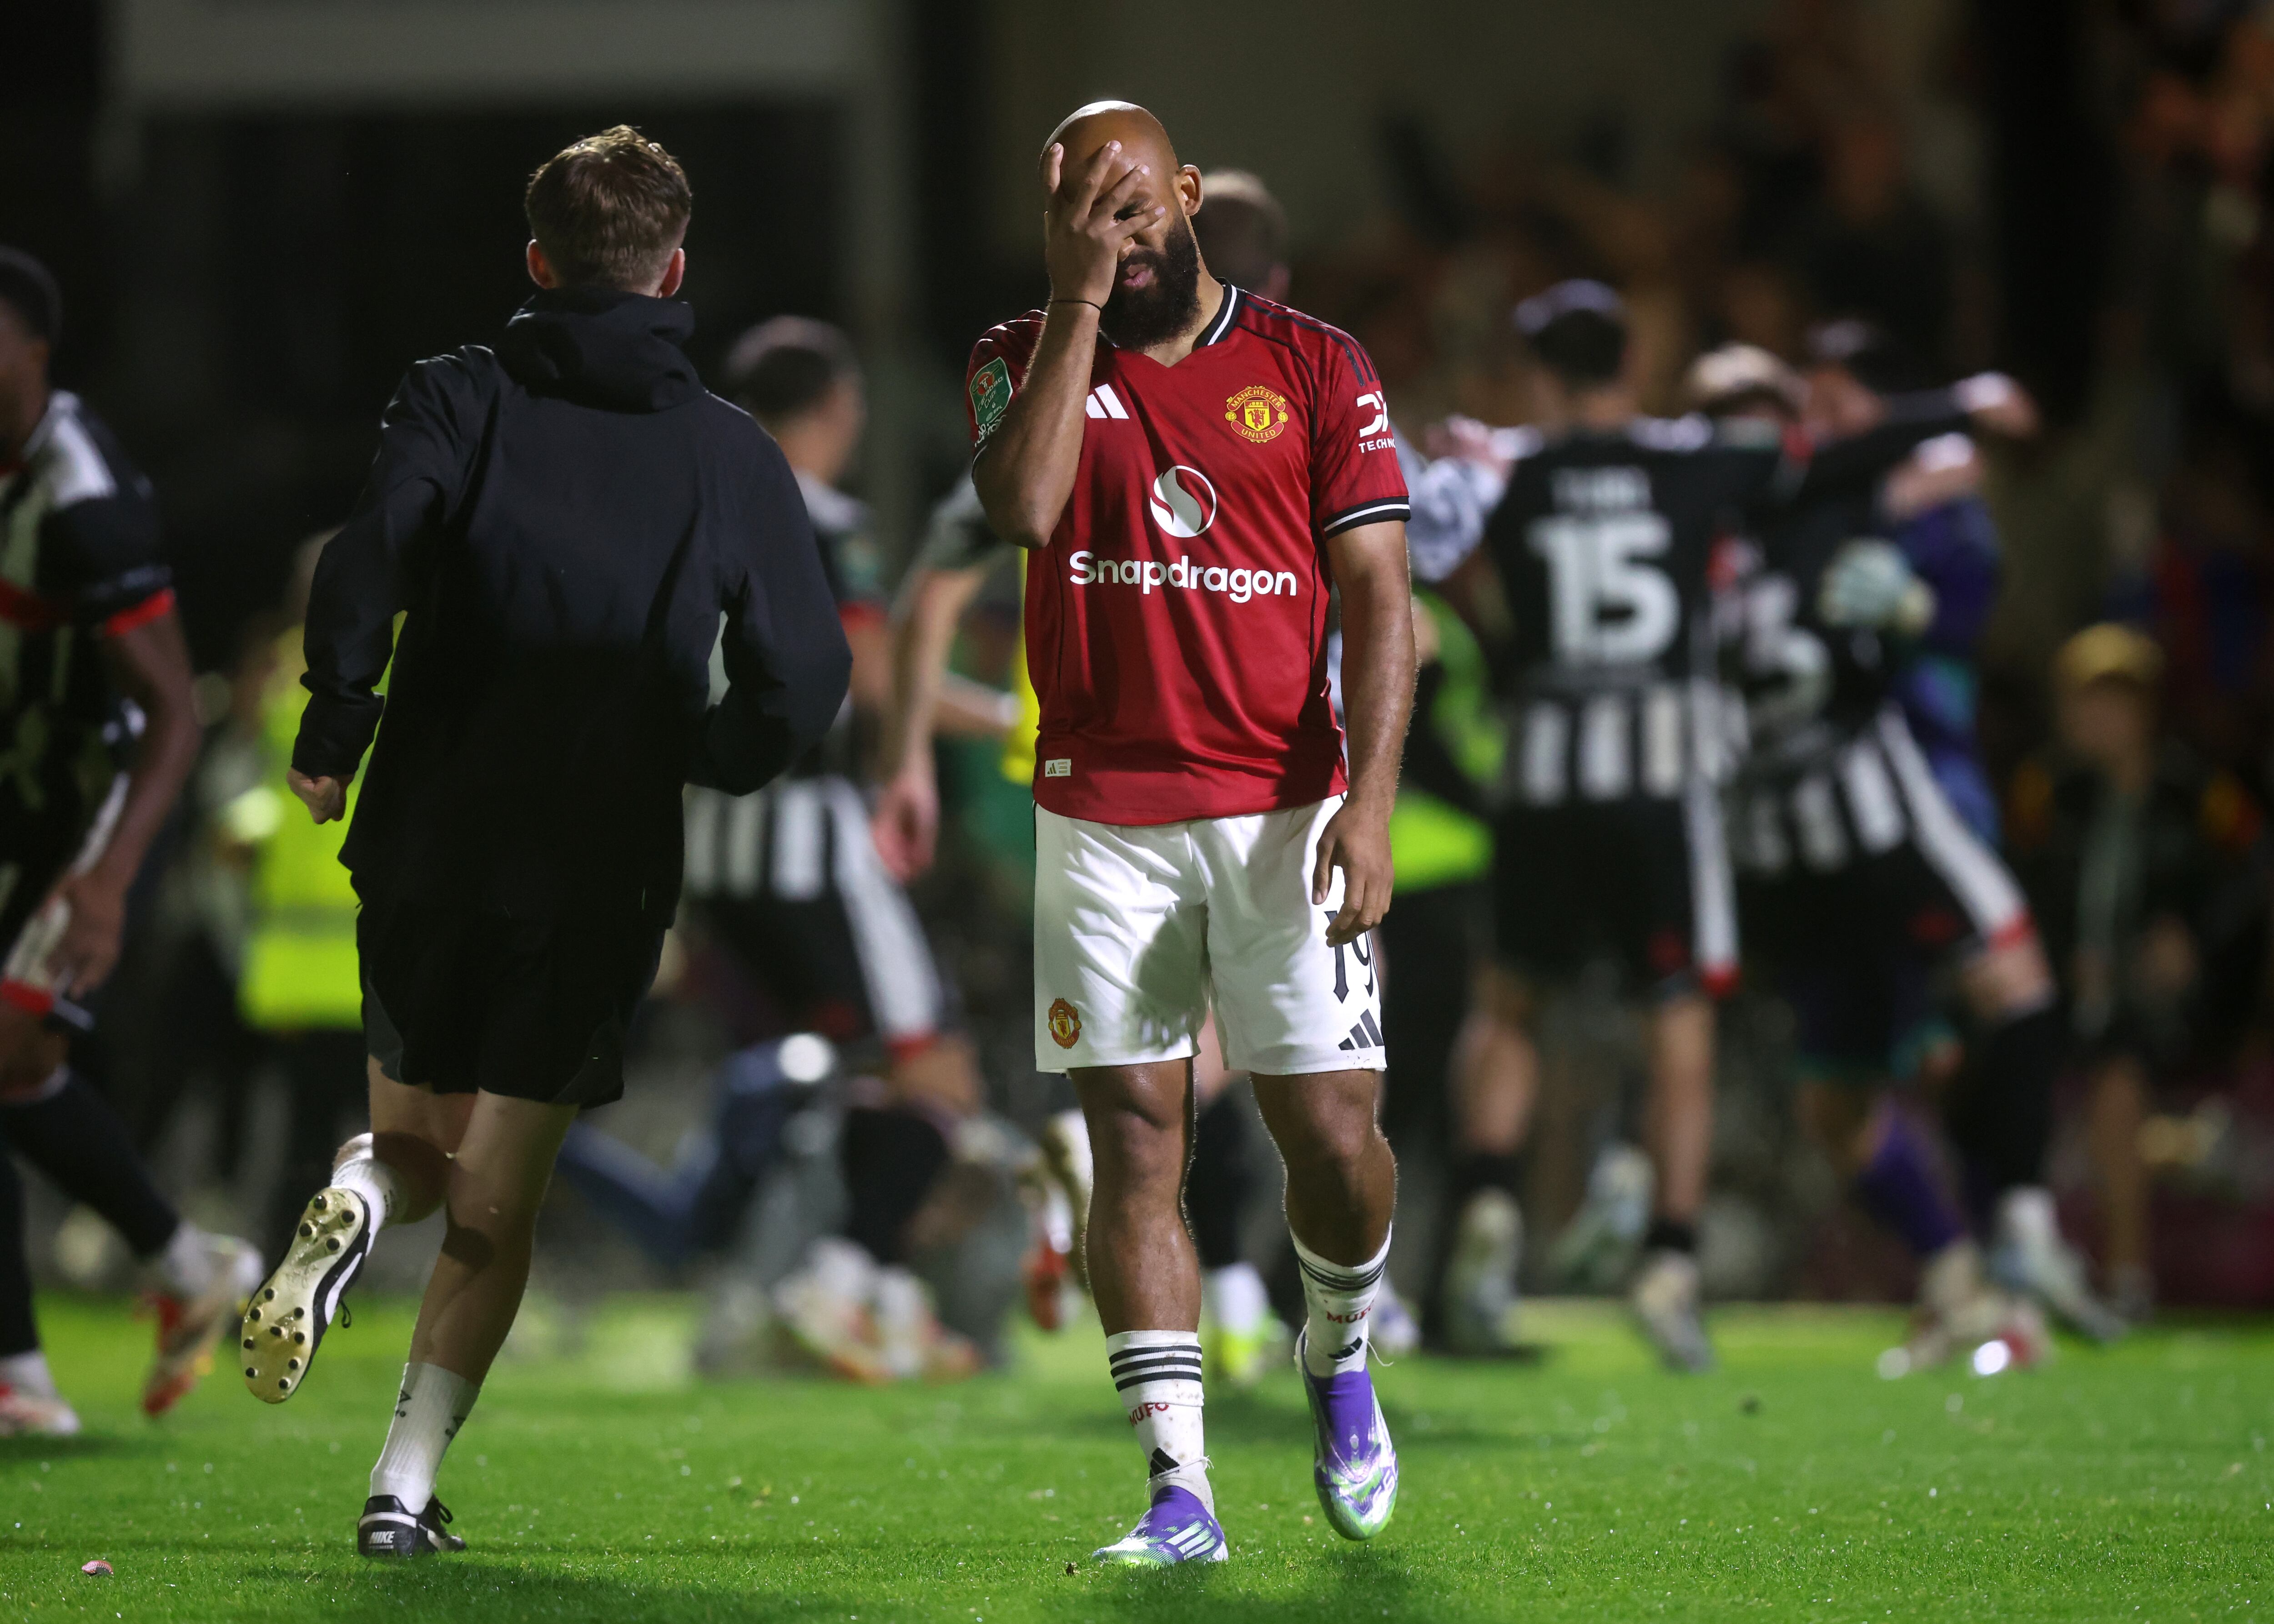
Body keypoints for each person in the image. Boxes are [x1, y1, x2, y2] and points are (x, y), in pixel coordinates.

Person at [243, 128, 849, 1558]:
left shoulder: (456, 394)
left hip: (427, 834)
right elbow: (807, 673)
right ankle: (399, 1485)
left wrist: (334, 727)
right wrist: (713, 758)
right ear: (674, 268)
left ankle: (346, 1197)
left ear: (537, 263)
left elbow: (371, 546)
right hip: (596, 859)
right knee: (495, 1200)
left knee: (409, 1142)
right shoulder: (728, 450)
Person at [969, 101, 1414, 1564]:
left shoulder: (1315, 362)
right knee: (1135, 1145)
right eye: (1083, 204)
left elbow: (1380, 601)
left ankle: (1337, 1351)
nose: (1118, 224)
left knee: (1335, 1140)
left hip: (1284, 808)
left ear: (1190, 192)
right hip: (1102, 815)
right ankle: (1180, 1492)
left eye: (1136, 200)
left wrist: (1373, 800)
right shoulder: (1017, 358)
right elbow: (1027, 509)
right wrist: (1077, 303)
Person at [1469, 284, 2036, 1373]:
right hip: (1740, 836)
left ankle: (2016, 1239)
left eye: (1751, 410)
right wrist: (1957, 414)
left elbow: (1939, 548)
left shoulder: (1780, 502)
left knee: (1982, 1006)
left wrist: (1920, 585)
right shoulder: (1703, 495)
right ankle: (1946, 1264)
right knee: (1791, 1072)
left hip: (1855, 820)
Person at [1690, 342, 2116, 1365]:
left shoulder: (1691, 517)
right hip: (1834, 821)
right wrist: (1957, 410)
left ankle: (1991, 1265)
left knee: (1921, 1053)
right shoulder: (1809, 492)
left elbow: (1961, 581)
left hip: (1834, 825)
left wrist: (1921, 603)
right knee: (1876, 1075)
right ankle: (1985, 1262)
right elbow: (1949, 495)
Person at [654, 316, 989, 1381]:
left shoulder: (684, 512)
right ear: (837, 411)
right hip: (811, 844)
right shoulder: (823, 518)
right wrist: (1023, 717)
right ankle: (844, 1277)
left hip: (714, 854)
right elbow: (877, 680)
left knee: (866, 1074)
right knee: (941, 1070)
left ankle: (887, 1297)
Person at [0, 246, 258, 1436]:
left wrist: (105, 879)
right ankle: (170, 1275)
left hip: (88, 817)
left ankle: (40, 1359)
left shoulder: (83, 499)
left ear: (34, 351)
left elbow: (167, 715)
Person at [2005, 625, 2272, 1322]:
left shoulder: (2199, 792)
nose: (2100, 718)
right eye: (2087, 700)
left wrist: (2195, 943)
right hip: (2071, 1004)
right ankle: (1999, 1266)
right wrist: (2062, 956)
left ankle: (2127, 1278)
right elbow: (2015, 890)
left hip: (2179, 1011)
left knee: (2117, 1077)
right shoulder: (2047, 792)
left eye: (2116, 701)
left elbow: (2251, 879)